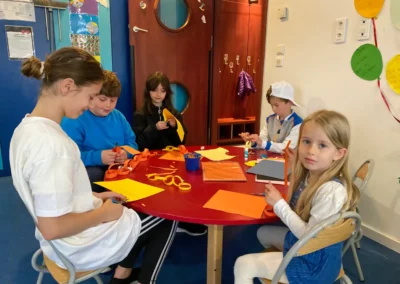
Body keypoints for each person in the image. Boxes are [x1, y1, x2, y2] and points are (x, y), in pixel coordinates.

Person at [10, 47, 177, 284]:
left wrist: (95, 195)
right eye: (91, 96)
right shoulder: (53, 145)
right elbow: (53, 227)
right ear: (67, 86)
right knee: (166, 215)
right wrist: (103, 213)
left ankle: (123, 274)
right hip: (76, 245)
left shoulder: (26, 128)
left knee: (134, 207)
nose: (90, 104)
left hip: (59, 241)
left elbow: (52, 196)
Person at [234, 110, 360, 283]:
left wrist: (278, 204)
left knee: (242, 264)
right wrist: (294, 170)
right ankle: (278, 269)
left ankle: (285, 272)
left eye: (322, 145)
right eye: (306, 142)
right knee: (263, 233)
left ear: (338, 153)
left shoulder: (331, 191)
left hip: (314, 265)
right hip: (311, 248)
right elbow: (295, 202)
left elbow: (308, 235)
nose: (311, 151)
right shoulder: (312, 174)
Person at [132, 71, 207, 237]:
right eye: (155, 90)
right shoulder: (140, 114)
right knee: (159, 192)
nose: (158, 94)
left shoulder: (174, 112)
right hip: (151, 161)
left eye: (163, 90)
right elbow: (139, 144)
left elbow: (181, 141)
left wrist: (174, 126)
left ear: (167, 92)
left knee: (185, 183)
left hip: (173, 158)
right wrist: (154, 129)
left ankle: (182, 219)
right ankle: (161, 222)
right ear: (148, 92)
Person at [61, 70, 138, 192]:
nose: (108, 105)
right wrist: (98, 157)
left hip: (118, 168)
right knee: (93, 175)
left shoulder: (118, 117)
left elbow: (132, 144)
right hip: (90, 169)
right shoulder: (75, 118)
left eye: (113, 100)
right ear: (91, 96)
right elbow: (70, 156)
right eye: (102, 99)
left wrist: (125, 153)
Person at [239, 81, 302, 153]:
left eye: (276, 105)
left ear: (289, 103)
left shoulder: (298, 123)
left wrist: (262, 143)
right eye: (272, 105)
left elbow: (286, 148)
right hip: (268, 159)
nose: (273, 109)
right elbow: (262, 142)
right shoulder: (270, 119)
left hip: (286, 162)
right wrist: (253, 141)